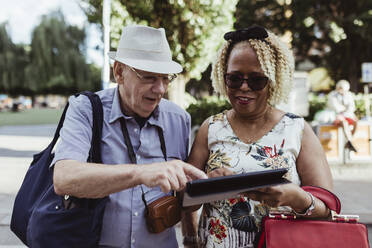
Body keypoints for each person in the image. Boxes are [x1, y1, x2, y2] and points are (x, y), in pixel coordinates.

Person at [52, 25, 207, 248]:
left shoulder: (179, 119)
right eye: (149, 77)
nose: (160, 88)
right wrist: (142, 173)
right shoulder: (86, 108)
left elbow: (183, 198)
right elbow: (64, 178)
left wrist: (206, 192)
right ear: (119, 72)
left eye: (166, 78)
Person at [181, 25, 333, 248]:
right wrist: (205, 187)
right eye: (234, 79)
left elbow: (328, 209)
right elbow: (183, 204)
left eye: (256, 79)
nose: (244, 87)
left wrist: (295, 198)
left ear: (273, 80)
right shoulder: (211, 128)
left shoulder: (296, 129)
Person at [327, 79, 358, 152]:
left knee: (356, 122)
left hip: (347, 115)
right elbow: (336, 107)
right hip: (336, 116)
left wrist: (345, 110)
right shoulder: (332, 94)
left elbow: (352, 107)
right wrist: (345, 109)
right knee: (344, 123)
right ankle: (350, 142)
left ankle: (349, 141)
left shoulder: (349, 94)